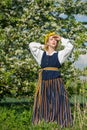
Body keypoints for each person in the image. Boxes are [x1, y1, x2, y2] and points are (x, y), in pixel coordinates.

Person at [29, 32, 74, 128]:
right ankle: (44, 122)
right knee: (43, 102)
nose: (54, 41)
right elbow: (31, 45)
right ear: (47, 42)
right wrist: (43, 46)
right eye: (51, 39)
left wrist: (61, 38)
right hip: (44, 82)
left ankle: (59, 122)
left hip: (56, 82)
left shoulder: (60, 55)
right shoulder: (40, 55)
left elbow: (70, 47)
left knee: (58, 101)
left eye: (55, 40)